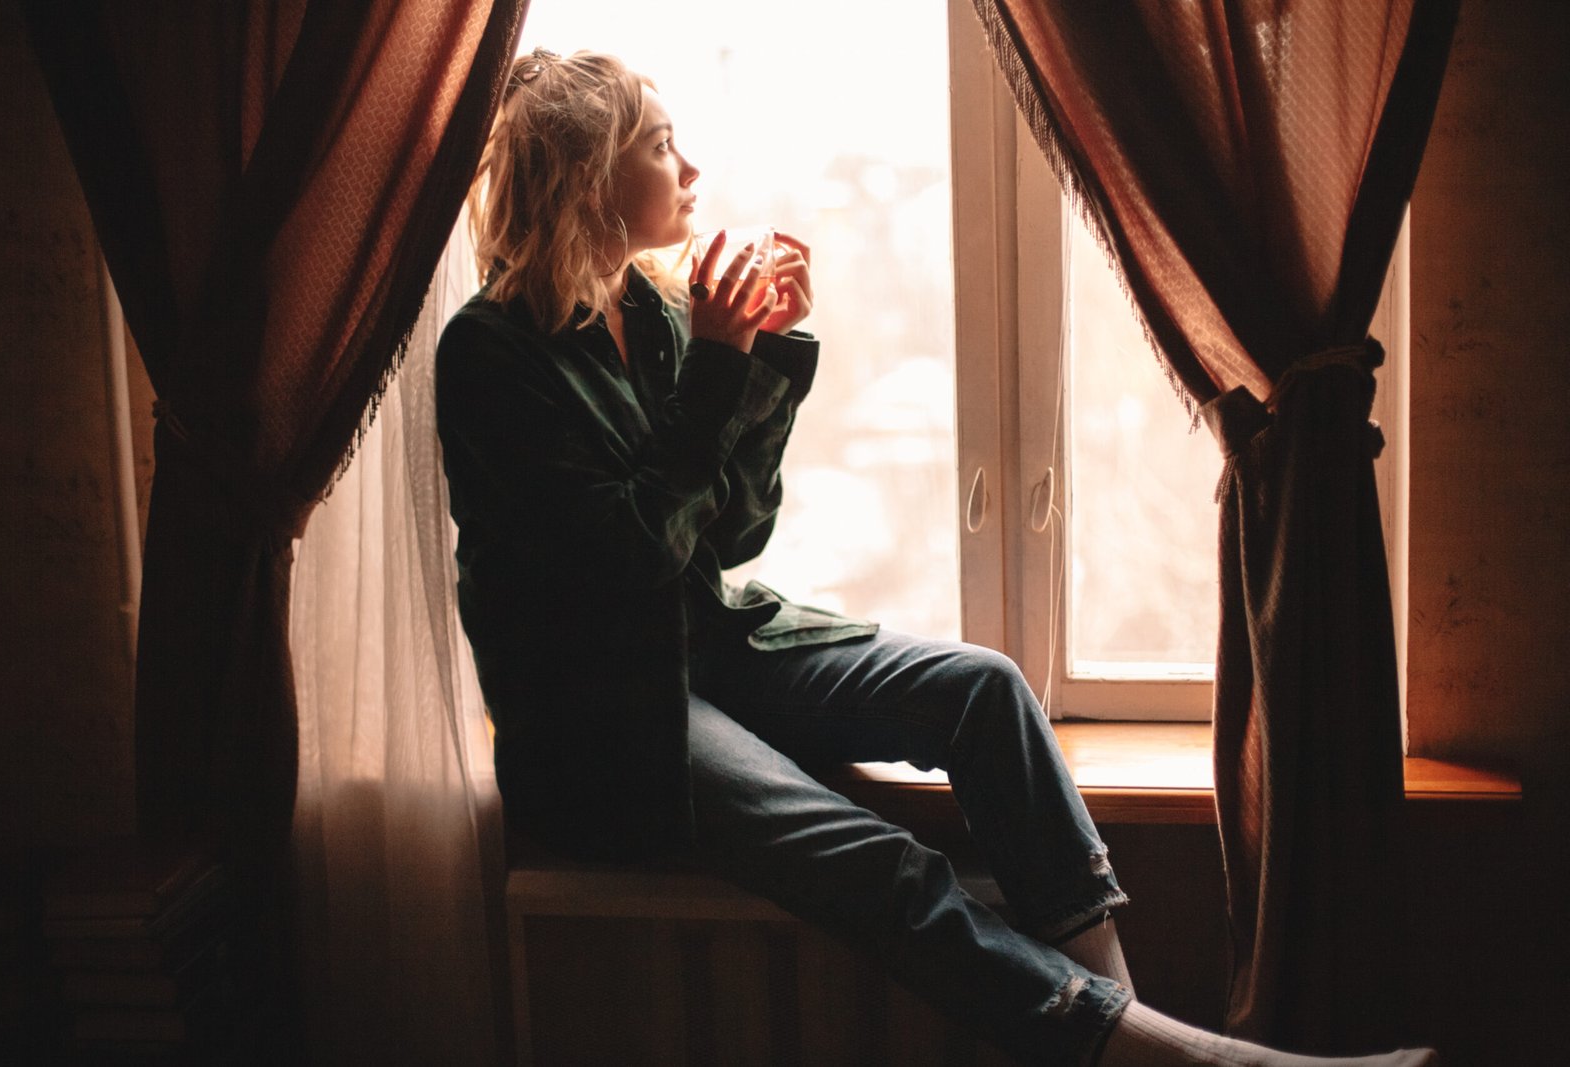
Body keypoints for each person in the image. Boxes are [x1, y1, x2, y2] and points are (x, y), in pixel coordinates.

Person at [434, 48, 1436, 1067]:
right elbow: (632, 556)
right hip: (605, 720)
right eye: (659, 146)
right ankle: (1187, 1058)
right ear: (588, 179)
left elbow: (729, 533)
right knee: (881, 861)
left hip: (708, 649)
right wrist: (722, 366)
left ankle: (1134, 1036)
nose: (690, 167)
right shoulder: (488, 353)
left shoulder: (649, 311)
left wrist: (764, 356)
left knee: (985, 690)